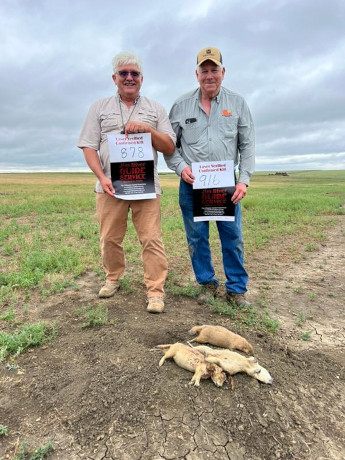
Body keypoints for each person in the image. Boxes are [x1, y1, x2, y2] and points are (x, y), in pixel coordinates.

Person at [77, 51, 176, 313]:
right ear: (115, 78)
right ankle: (113, 278)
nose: (129, 78)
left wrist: (148, 129)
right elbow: (88, 146)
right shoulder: (99, 108)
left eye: (134, 74)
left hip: (146, 186)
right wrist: (102, 177)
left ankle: (155, 292)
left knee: (152, 239)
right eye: (124, 74)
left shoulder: (155, 109)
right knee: (109, 238)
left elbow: (168, 146)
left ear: (142, 78)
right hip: (110, 187)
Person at [164, 47, 255, 307]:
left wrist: (243, 180)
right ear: (197, 74)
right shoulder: (181, 106)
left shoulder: (237, 103)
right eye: (204, 70)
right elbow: (171, 147)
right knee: (197, 237)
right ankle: (206, 284)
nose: (209, 75)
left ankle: (236, 290)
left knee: (232, 236)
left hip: (227, 184)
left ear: (223, 72)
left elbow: (247, 145)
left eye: (214, 69)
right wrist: (181, 167)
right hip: (192, 184)